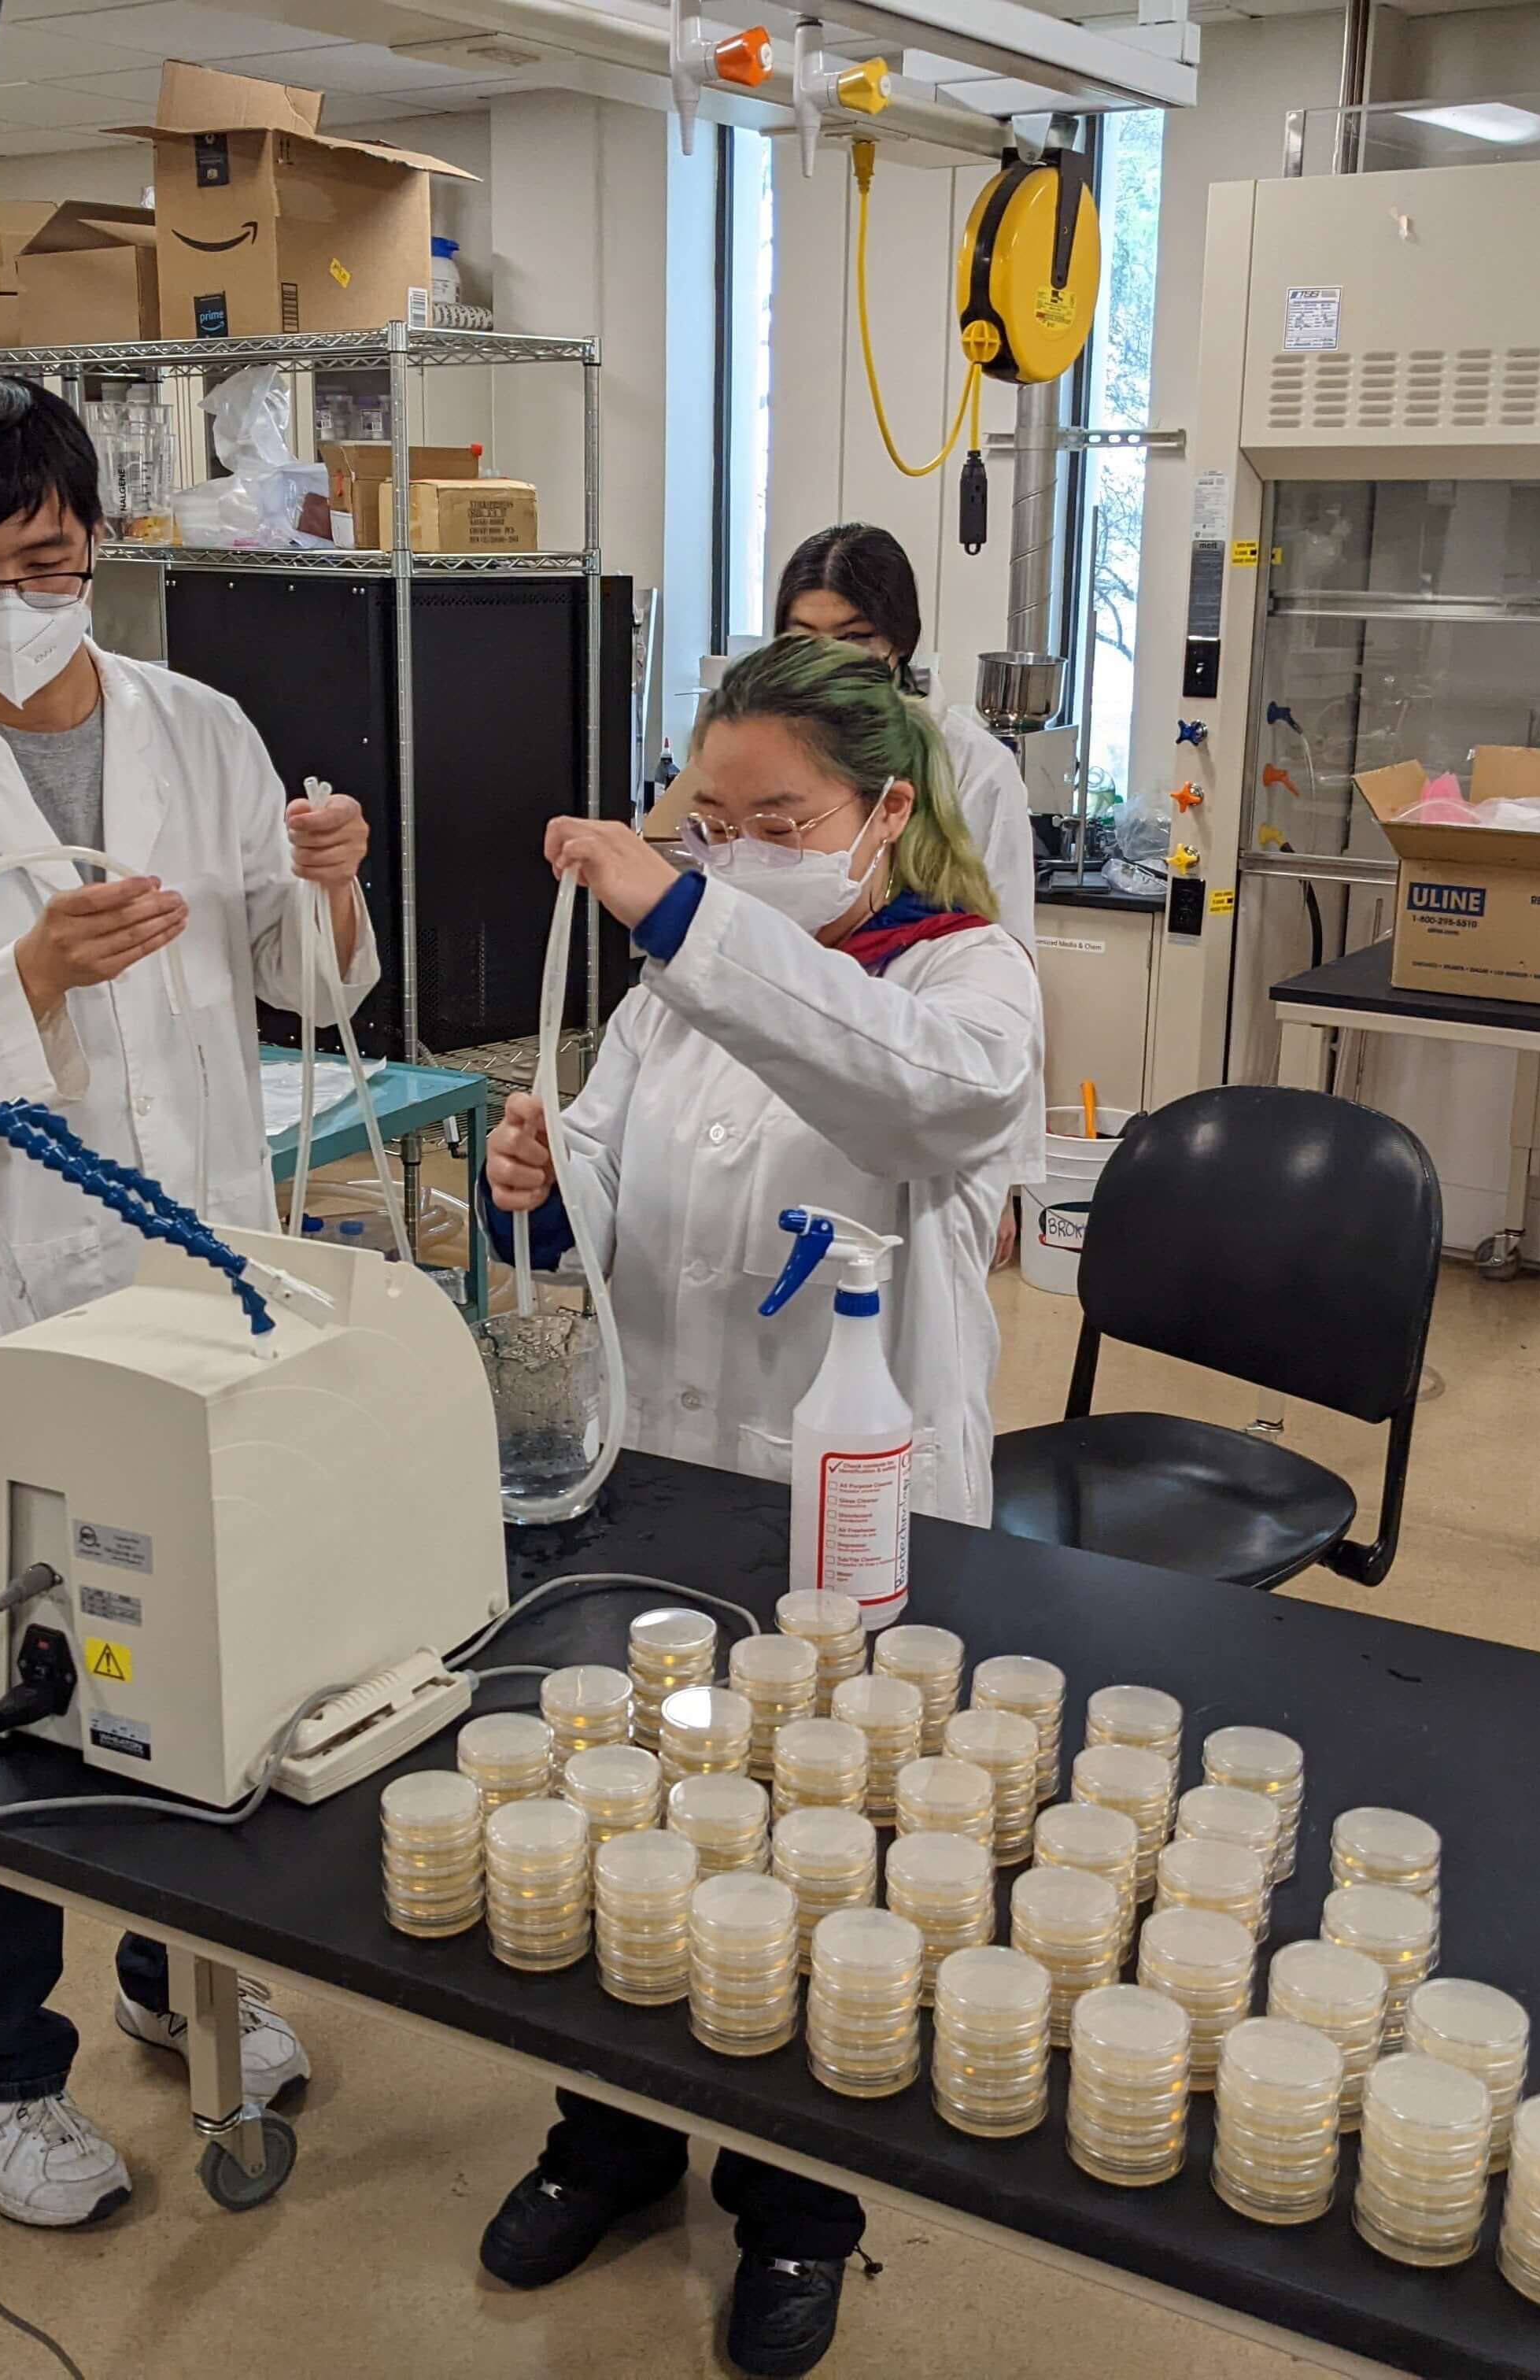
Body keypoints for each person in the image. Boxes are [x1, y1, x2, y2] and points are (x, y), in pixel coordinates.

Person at [0, 375, 377, 2230]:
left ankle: (182, 1974)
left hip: (185, 1268)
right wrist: (26, 980)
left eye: (45, 560)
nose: (14, 600)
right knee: (11, 1694)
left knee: (200, 1645)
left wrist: (332, 892)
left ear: (97, 541)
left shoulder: (199, 730)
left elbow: (302, 981)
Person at [473, 635, 1039, 2375]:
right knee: (640, 1821)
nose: (731, 852)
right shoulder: (666, 990)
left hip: (846, 1512)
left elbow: (914, 1095)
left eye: (773, 818)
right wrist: (548, 1180)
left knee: (819, 1855)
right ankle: (615, 2139)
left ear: (881, 814)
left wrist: (676, 915)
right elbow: (623, 1193)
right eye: (705, 820)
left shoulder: (968, 981)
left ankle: (800, 2210)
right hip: (667, 1484)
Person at [772, 520, 1036, 950]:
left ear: (901, 640)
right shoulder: (766, 751)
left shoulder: (975, 767)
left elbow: (1009, 945)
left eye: (853, 638)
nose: (826, 662)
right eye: (803, 640)